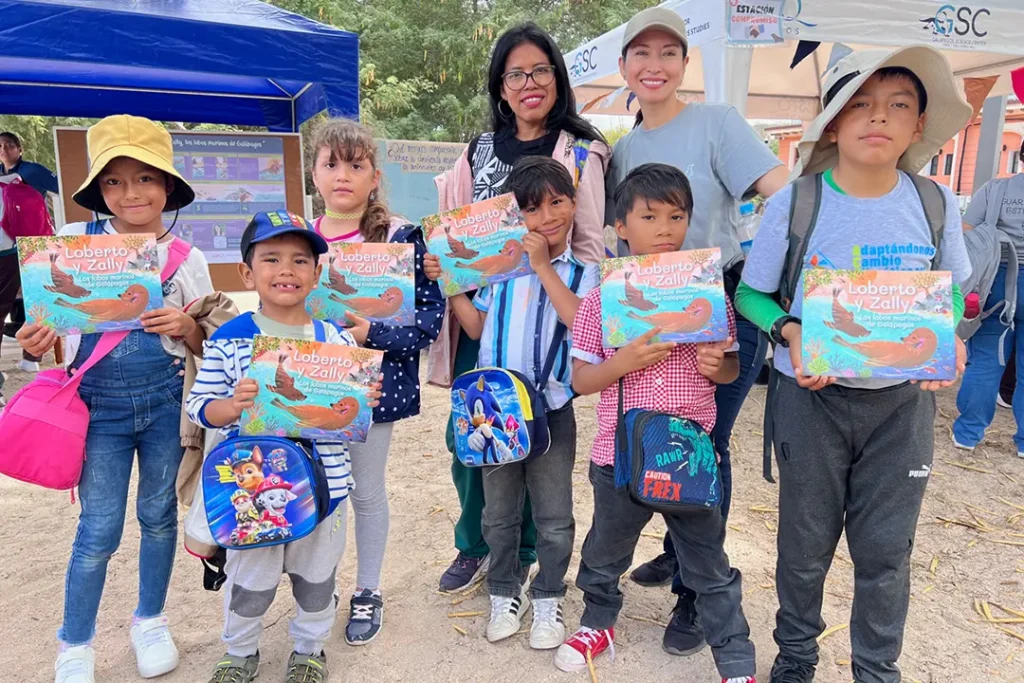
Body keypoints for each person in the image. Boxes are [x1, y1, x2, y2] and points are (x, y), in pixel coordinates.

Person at [738, 47, 972, 683]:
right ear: (834, 124)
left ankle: (876, 668)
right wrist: (789, 332)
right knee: (804, 546)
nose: (880, 118)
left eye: (899, 106)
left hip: (901, 405)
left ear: (918, 126)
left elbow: (949, 289)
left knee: (887, 551)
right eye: (860, 105)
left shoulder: (935, 203)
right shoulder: (798, 201)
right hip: (809, 400)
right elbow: (751, 294)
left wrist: (942, 333)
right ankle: (795, 659)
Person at [610, 6, 789, 656]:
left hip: (723, 307)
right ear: (625, 65)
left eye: (668, 53)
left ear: (684, 62)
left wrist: (761, 276)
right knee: (657, 427)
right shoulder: (624, 145)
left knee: (702, 442)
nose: (654, 66)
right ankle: (675, 549)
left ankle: (694, 588)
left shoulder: (716, 123)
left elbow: (784, 191)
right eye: (641, 54)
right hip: (654, 306)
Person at [15, 115, 214, 683]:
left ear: (167, 186)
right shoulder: (70, 249)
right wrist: (37, 338)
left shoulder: (189, 260)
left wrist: (185, 326)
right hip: (96, 409)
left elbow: (208, 340)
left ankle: (150, 619)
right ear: (99, 189)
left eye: (146, 178)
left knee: (157, 516)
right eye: (115, 181)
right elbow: (47, 335)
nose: (131, 193)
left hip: (164, 407)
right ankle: (74, 644)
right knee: (98, 527)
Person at [427, 22, 610, 594]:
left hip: (552, 317)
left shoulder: (582, 149)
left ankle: (529, 552)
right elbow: (454, 231)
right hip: (485, 318)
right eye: (515, 74)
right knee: (475, 436)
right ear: (500, 87)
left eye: (540, 70)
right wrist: (449, 274)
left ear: (557, 77)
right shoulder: (478, 151)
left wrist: (565, 300)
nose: (529, 82)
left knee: (542, 438)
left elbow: (589, 240)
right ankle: (477, 545)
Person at [558, 163, 754, 683]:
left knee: (707, 559)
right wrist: (621, 364)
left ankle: (733, 655)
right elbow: (580, 379)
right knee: (606, 550)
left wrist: (722, 366)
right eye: (649, 216)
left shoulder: (707, 295)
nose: (665, 228)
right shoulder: (603, 296)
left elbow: (730, 363)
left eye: (677, 215)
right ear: (620, 227)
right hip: (618, 455)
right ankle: (597, 622)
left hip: (689, 452)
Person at [185, 211, 381, 683]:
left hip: (325, 486)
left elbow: (352, 418)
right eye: (271, 259)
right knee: (249, 580)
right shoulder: (231, 340)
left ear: (317, 274)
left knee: (317, 578)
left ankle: (310, 648)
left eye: (300, 259)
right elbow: (198, 407)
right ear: (247, 274)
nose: (287, 270)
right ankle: (239, 652)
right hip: (251, 496)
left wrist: (360, 400)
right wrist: (231, 407)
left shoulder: (333, 338)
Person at [424, 156, 599, 649]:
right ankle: (505, 589)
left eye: (556, 203)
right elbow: (476, 329)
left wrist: (543, 267)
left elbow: (583, 323)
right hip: (495, 412)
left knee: (554, 515)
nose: (546, 217)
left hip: (552, 410)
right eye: (531, 210)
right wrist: (451, 282)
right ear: (514, 218)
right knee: (498, 512)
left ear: (572, 203)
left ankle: (548, 597)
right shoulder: (500, 271)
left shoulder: (586, 273)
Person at [307, 117, 444, 644]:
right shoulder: (298, 236)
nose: (343, 175)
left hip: (372, 389)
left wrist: (374, 332)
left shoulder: (402, 237)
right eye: (331, 163)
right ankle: (319, 584)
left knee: (365, 491)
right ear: (315, 173)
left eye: (356, 165)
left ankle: (367, 589)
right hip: (310, 386)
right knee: (319, 488)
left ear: (374, 176)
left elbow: (428, 324)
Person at [953, 139, 1024, 458]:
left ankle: (968, 434)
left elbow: (965, 231)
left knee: (984, 359)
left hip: (996, 282)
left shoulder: (995, 190)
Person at [0, 131, 59, 379]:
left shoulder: (34, 171)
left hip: (36, 244)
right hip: (6, 247)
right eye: (0, 145)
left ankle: (32, 357)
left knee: (41, 299)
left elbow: (63, 187)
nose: (4, 149)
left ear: (19, 149)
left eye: (9, 145)